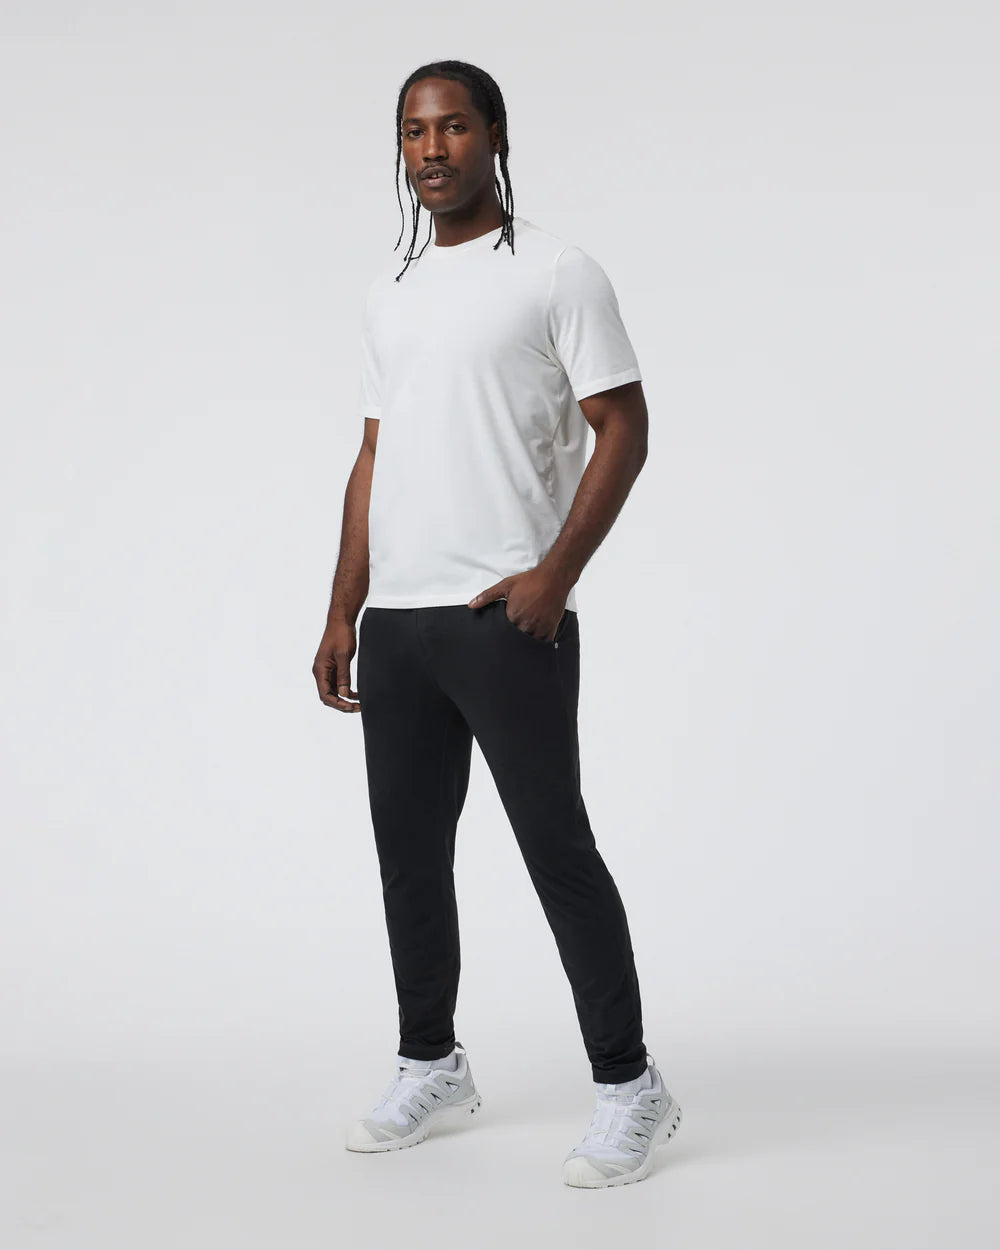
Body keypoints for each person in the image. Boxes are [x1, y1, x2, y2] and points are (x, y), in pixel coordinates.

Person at [313, 59, 682, 1188]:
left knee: (555, 848)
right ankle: (430, 1060)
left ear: (494, 135)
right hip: (401, 621)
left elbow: (624, 426)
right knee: (408, 857)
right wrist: (342, 606)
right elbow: (374, 455)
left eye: (453, 127)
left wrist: (553, 577)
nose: (432, 150)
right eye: (413, 132)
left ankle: (630, 1085)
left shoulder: (557, 272)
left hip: (503, 619)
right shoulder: (390, 292)